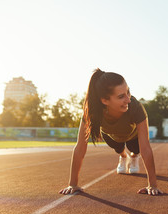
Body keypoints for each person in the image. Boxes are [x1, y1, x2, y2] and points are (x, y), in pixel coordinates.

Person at [59, 68, 162, 196]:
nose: (128, 99)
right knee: (119, 148)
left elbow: (145, 147)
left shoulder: (135, 107)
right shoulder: (92, 112)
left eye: (128, 92)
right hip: (111, 136)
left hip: (133, 137)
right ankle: (124, 156)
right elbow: (80, 146)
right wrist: (73, 184)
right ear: (105, 100)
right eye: (121, 96)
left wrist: (152, 185)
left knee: (135, 149)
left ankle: (134, 157)